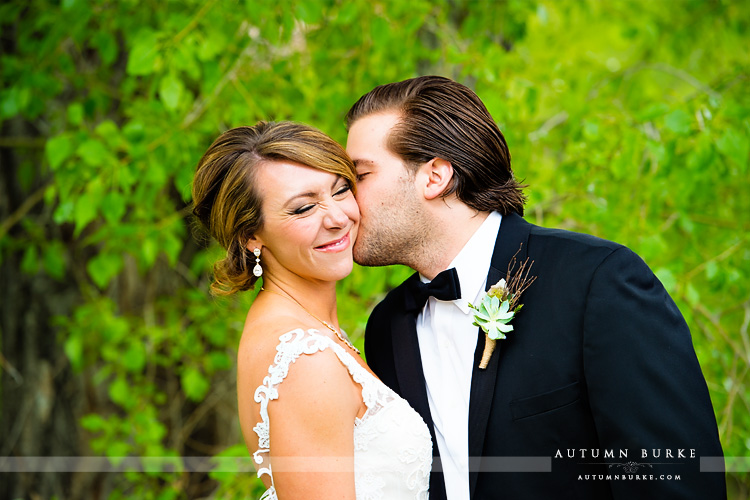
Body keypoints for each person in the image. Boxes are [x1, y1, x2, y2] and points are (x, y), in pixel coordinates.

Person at [344, 75, 726, 500]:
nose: (344, 201)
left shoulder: (597, 282)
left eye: (359, 175)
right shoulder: (387, 326)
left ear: (434, 176)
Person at [191, 121, 432, 500]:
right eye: (304, 208)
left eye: (341, 190)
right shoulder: (304, 358)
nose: (338, 218)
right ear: (250, 235)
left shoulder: (301, 329)